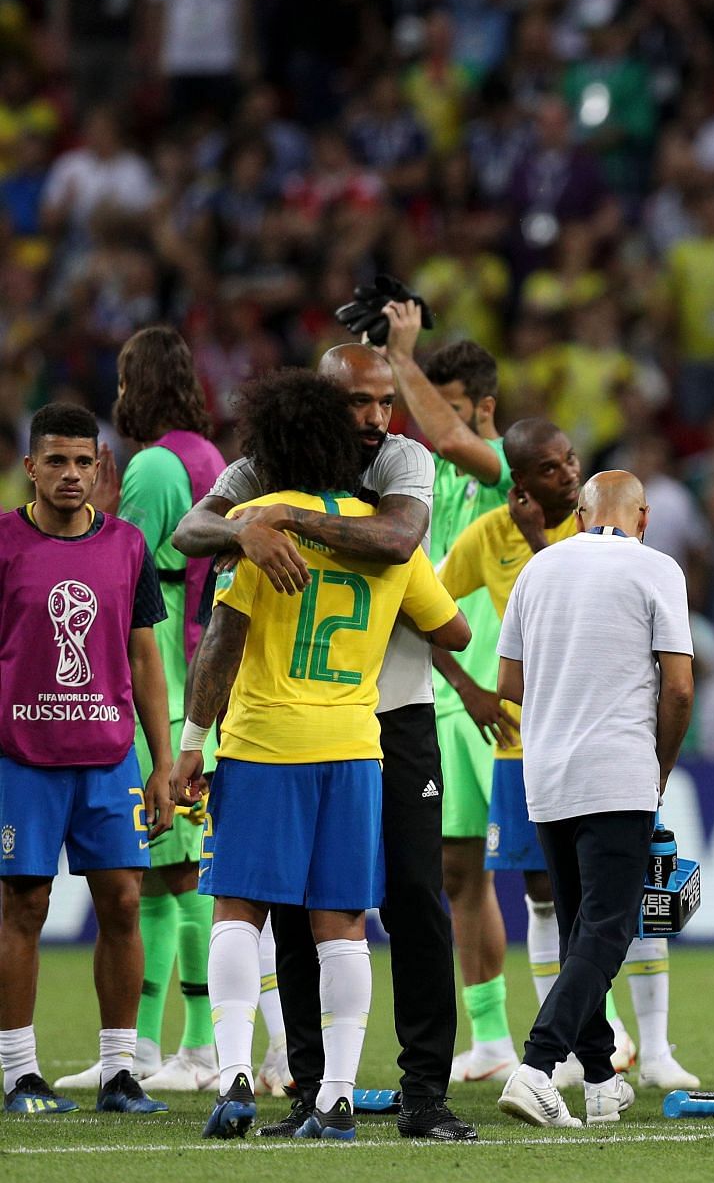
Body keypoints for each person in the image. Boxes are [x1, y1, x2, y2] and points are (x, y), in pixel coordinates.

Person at [172, 343, 472, 1140]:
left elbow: (397, 541)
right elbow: (191, 527)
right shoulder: (263, 483)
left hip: (328, 726)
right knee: (334, 915)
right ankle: (321, 1090)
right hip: (353, 728)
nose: (377, 419)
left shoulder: (392, 465)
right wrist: (249, 529)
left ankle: (406, 1092)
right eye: (358, 405)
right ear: (321, 407)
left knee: (372, 901)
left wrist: (272, 524)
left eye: (385, 402)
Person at [437, 420, 658, 1084]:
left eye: (570, 461)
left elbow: (567, 587)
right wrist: (469, 689)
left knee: (609, 898)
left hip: (602, 741)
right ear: (519, 483)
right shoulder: (485, 538)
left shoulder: (596, 531)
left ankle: (613, 1033)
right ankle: (580, 1046)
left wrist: (537, 536)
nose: (567, 475)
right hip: (525, 744)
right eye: (552, 469)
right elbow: (421, 609)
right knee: (543, 893)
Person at [51, 328, 226, 1096]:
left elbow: (121, 574)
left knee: (182, 874)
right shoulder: (207, 457)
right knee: (158, 878)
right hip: (202, 681)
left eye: (124, 379)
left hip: (172, 689)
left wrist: (109, 512)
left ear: (137, 385)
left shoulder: (154, 465)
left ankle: (202, 1046)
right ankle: (146, 1046)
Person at [493, 472, 695, 1128]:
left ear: (579, 515)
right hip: (618, 770)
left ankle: (602, 1080)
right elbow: (681, 688)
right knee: (608, 931)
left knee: (581, 928)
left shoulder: (539, 570)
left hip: (545, 775)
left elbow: (509, 682)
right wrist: (659, 765)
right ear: (642, 514)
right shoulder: (656, 568)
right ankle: (537, 1066)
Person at [0, 403, 174, 1117]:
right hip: (23, 759)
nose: (72, 474)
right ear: (31, 468)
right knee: (24, 905)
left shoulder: (128, 545)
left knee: (125, 904)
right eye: (58, 461)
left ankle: (120, 1073)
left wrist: (162, 762)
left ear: (102, 467)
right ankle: (19, 1075)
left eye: (84, 462)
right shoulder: (4, 543)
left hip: (109, 760)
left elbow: (145, 657)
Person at [383, 310, 520, 1084]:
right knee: (459, 872)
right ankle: (494, 1035)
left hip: (505, 698)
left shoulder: (500, 462)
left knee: (546, 875)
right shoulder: (421, 479)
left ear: (483, 408)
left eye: (450, 401)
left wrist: (401, 356)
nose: (434, 417)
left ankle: (601, 1028)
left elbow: (445, 435)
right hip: (443, 693)